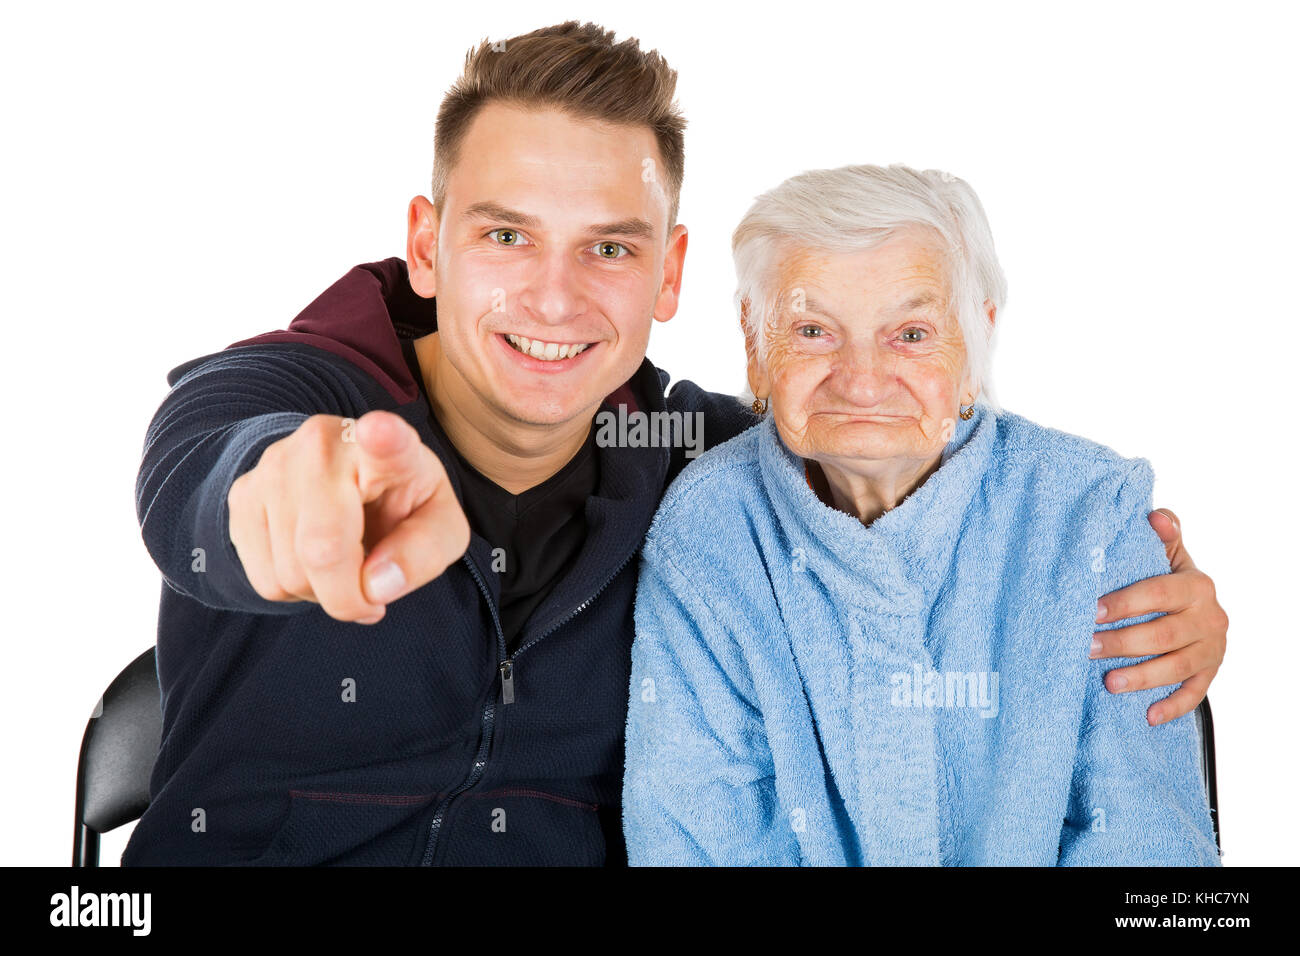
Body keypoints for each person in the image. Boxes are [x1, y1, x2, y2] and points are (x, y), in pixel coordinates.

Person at [123, 22, 1227, 866]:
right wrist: (278, 504)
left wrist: (1132, 571)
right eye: (506, 234)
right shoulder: (286, 391)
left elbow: (909, 465)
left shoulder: (699, 459)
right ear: (427, 244)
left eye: (608, 245)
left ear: (670, 273)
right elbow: (204, 486)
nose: (554, 296)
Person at [621, 164, 1222, 865]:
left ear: (976, 342)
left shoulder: (1091, 518)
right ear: (756, 349)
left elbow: (1146, 845)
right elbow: (697, 836)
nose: (863, 379)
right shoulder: (709, 531)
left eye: (910, 333)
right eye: (813, 331)